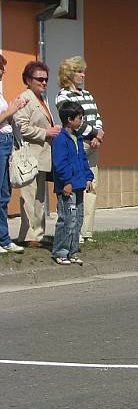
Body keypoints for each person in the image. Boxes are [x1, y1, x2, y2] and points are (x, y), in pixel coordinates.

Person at [55, 56, 105, 244]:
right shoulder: (63, 96)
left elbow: (96, 116)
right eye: (79, 71)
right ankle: (74, 232)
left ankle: (87, 231)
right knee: (76, 186)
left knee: (91, 186)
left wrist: (98, 136)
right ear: (69, 74)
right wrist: (93, 133)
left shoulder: (88, 94)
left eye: (83, 71)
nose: (83, 75)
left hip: (93, 144)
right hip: (77, 144)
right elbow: (73, 121)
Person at [13, 61, 61, 248]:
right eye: (39, 79)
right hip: (29, 156)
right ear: (28, 79)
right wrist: (45, 133)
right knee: (29, 196)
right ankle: (28, 235)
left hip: (41, 156)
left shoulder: (41, 98)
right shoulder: (25, 99)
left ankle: (38, 234)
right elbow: (21, 127)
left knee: (40, 197)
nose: (44, 82)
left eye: (46, 79)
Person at [50, 101, 94, 265]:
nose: (81, 121)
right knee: (67, 219)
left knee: (78, 219)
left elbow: (83, 160)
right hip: (67, 187)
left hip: (79, 185)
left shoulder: (78, 137)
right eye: (79, 118)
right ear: (69, 119)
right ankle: (60, 252)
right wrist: (66, 182)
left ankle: (73, 251)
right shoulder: (60, 139)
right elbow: (59, 164)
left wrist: (88, 177)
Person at [0, 54, 28, 255]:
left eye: (2, 68)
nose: (2, 72)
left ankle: (4, 238)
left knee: (4, 194)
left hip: (6, 142)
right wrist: (12, 109)